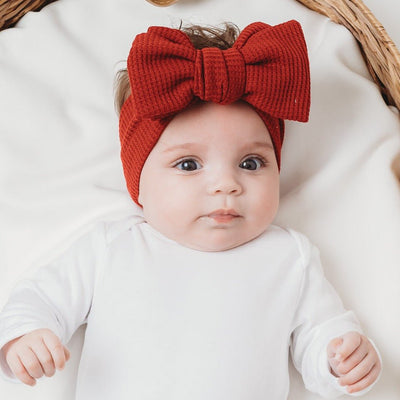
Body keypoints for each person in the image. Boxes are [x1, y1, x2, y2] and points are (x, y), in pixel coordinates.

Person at [0, 21, 381, 399]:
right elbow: (40, 298)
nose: (225, 185)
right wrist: (26, 337)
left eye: (250, 163)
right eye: (188, 165)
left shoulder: (288, 256)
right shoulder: (113, 247)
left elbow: (321, 334)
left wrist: (340, 358)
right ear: (139, 184)